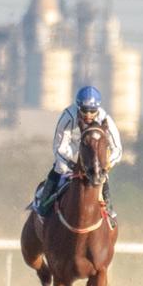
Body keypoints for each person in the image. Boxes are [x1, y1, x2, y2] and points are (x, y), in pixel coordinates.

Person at [35, 85, 123, 227]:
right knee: (60, 167)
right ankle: (44, 203)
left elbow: (117, 149)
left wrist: (105, 165)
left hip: (93, 148)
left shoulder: (105, 118)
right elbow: (59, 147)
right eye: (84, 110)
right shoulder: (68, 116)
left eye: (92, 111)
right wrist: (70, 164)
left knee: (101, 174)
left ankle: (108, 208)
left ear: (98, 108)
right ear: (78, 107)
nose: (88, 115)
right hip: (72, 146)